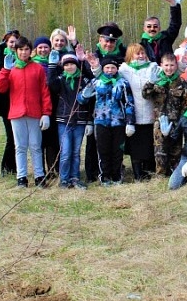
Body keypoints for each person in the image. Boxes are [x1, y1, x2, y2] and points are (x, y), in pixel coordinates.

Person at [0, 36, 53, 187]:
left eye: (26, 49)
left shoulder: (37, 68)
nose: (24, 53)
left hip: (34, 113)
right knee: (20, 147)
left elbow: (44, 92)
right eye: (21, 49)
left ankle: (39, 175)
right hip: (17, 113)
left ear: (30, 51)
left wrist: (46, 113)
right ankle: (22, 177)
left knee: (35, 146)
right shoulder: (12, 69)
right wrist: (5, 70)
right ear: (16, 51)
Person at [77, 56, 135, 186]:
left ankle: (117, 176)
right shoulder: (96, 82)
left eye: (113, 68)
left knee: (117, 150)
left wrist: (130, 122)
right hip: (100, 122)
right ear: (103, 69)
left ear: (117, 69)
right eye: (107, 68)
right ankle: (105, 176)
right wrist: (86, 93)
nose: (110, 70)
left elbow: (129, 103)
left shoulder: (123, 83)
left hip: (118, 122)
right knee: (103, 150)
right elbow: (81, 99)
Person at [85, 23, 126, 183]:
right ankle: (93, 173)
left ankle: (115, 172)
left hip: (116, 113)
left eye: (112, 41)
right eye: (106, 40)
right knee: (95, 144)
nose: (108, 44)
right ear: (100, 40)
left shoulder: (122, 55)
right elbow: (89, 79)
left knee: (116, 146)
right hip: (97, 110)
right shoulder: (93, 56)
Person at [47, 51, 92, 189]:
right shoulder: (60, 80)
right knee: (66, 151)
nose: (70, 67)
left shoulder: (83, 80)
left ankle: (75, 177)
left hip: (80, 120)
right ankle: (64, 179)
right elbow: (51, 84)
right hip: (64, 120)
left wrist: (89, 120)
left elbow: (91, 100)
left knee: (76, 151)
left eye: (72, 64)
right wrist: (52, 66)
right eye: (66, 65)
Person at [142, 53, 187, 176]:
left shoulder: (181, 82)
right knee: (160, 149)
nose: (169, 68)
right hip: (160, 121)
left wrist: (182, 120)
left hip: (176, 121)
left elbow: (186, 102)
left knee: (175, 149)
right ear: (161, 65)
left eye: (172, 65)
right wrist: (151, 83)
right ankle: (161, 174)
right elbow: (145, 95)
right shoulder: (156, 81)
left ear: (176, 65)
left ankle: (175, 173)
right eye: (166, 65)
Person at [119, 43, 159, 181]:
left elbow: (168, 71)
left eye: (143, 53)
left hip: (149, 113)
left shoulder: (152, 68)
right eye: (137, 53)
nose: (141, 56)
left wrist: (182, 65)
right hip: (133, 115)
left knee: (148, 145)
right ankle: (137, 174)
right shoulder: (124, 70)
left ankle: (148, 172)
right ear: (131, 55)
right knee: (135, 147)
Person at [31, 36, 59, 184]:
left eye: (46, 47)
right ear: (36, 49)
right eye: (40, 47)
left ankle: (53, 168)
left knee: (52, 139)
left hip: (53, 105)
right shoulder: (31, 64)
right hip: (36, 105)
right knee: (38, 140)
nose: (43, 50)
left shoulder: (54, 63)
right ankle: (39, 169)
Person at [0, 29, 20, 177]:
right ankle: (6, 167)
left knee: (18, 139)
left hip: (18, 102)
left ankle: (14, 167)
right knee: (11, 137)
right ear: (6, 43)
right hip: (6, 106)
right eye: (11, 42)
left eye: (15, 42)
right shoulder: (0, 60)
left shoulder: (21, 57)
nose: (13, 44)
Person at [140, 0, 182, 64]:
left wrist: (172, 2)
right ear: (144, 29)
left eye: (155, 26)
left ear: (159, 28)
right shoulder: (140, 47)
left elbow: (175, 23)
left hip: (168, 74)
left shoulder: (166, 38)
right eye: (149, 26)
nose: (152, 28)